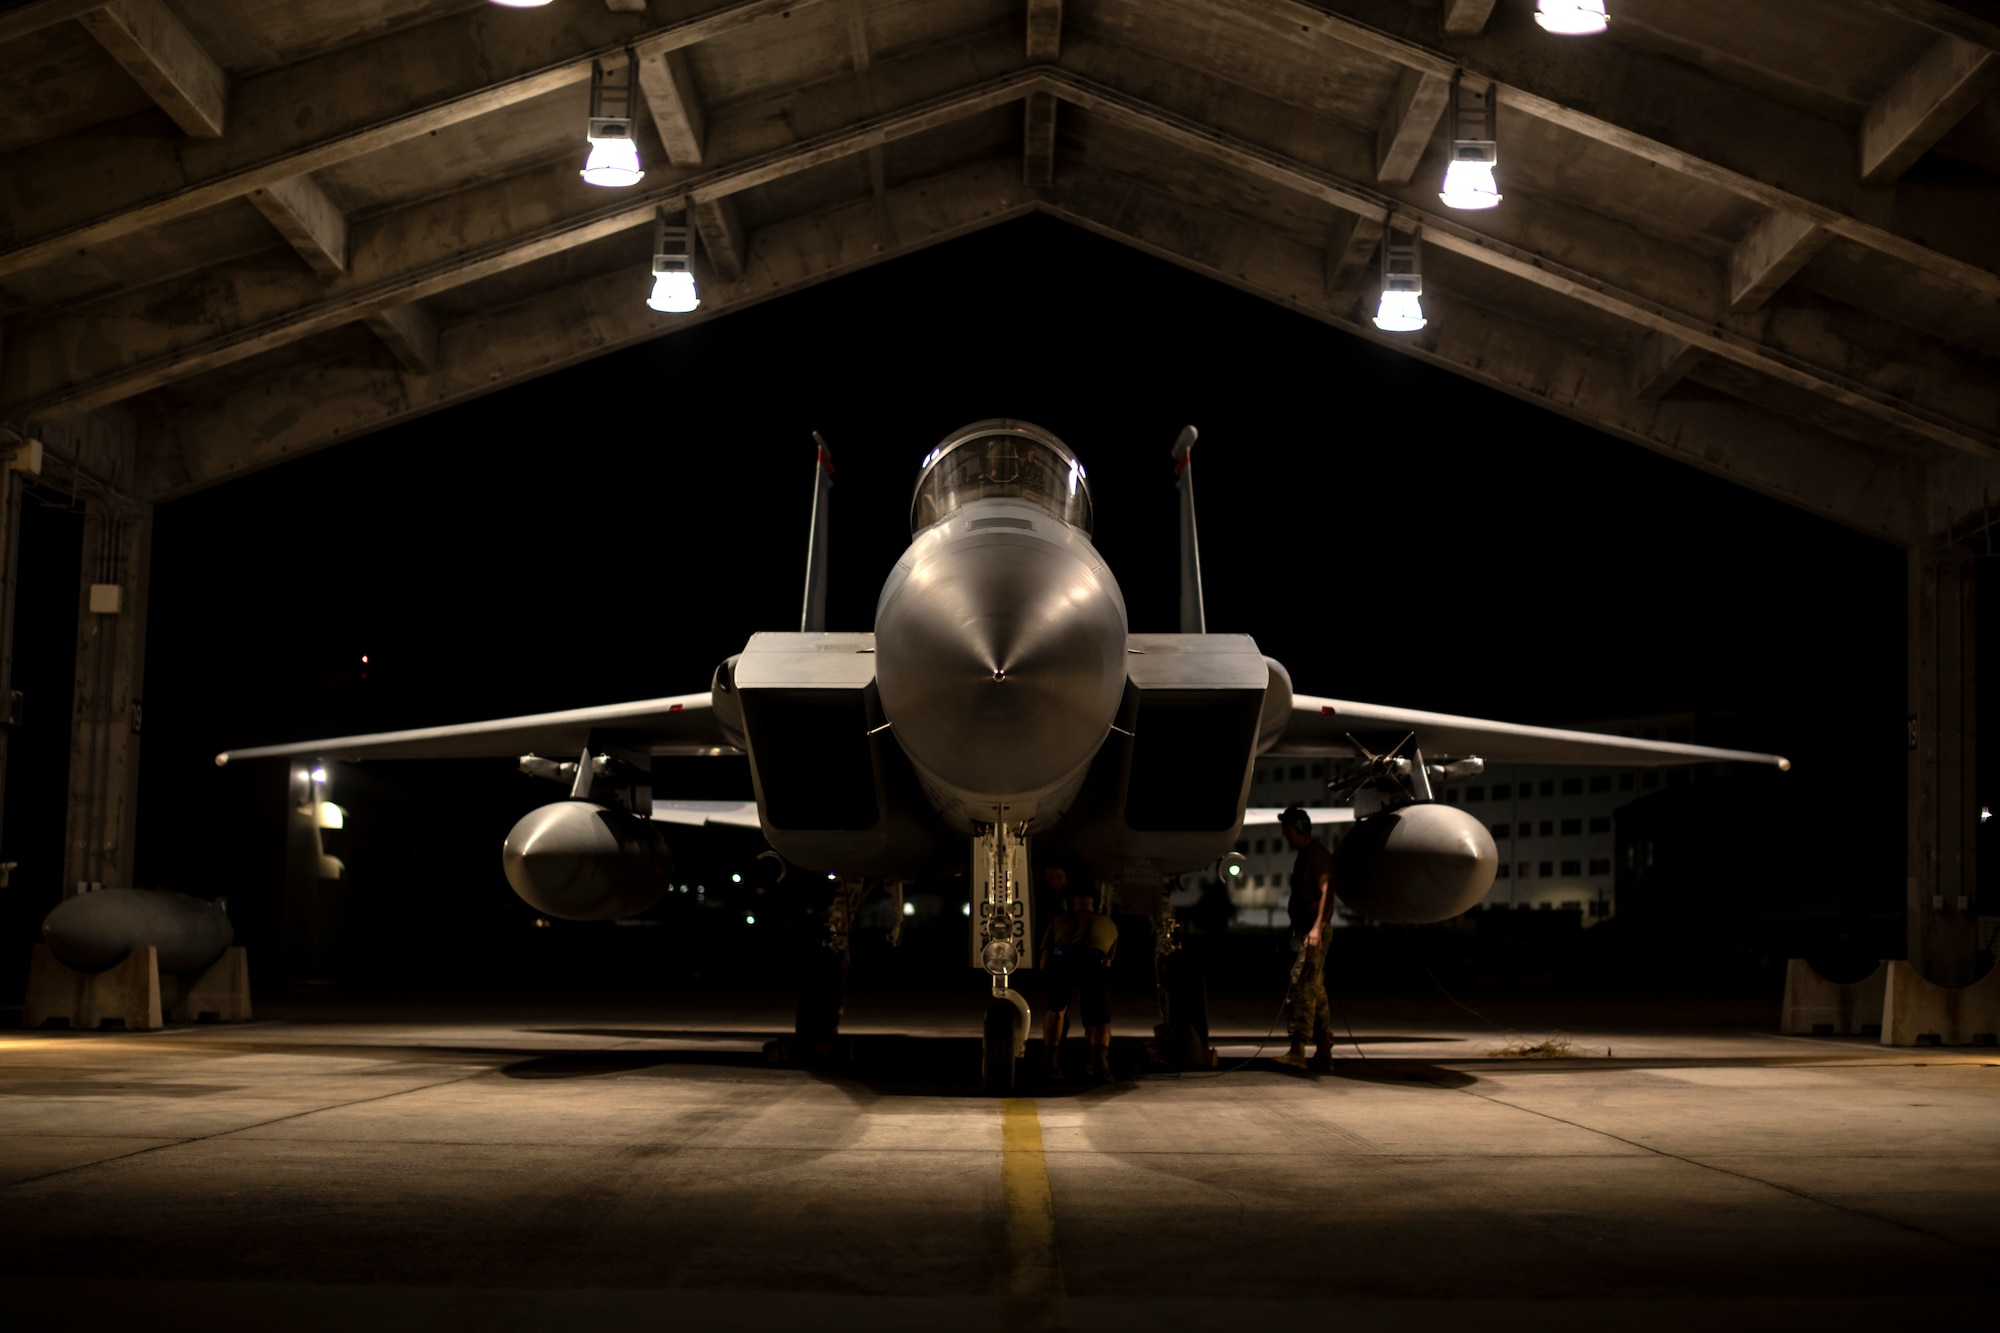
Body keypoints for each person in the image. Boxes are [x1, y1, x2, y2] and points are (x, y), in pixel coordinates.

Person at [1275, 806, 1336, 1071]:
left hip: (1314, 932)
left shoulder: (1316, 854)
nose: (1284, 834)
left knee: (1302, 990)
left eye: (1287, 828)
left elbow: (1327, 892)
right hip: (1303, 931)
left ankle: (1297, 1050)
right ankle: (1324, 1051)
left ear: (1299, 829)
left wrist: (1316, 929)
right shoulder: (1305, 855)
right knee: (1316, 993)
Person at [1039, 880, 1119, 1081]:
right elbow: (1108, 961)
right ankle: (1101, 1066)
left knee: (1056, 1011)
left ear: (1070, 902)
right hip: (1094, 965)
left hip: (1062, 964)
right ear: (1096, 903)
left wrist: (1049, 976)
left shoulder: (1059, 921)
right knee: (1100, 1020)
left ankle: (1050, 1064)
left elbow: (1045, 957)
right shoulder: (1108, 924)